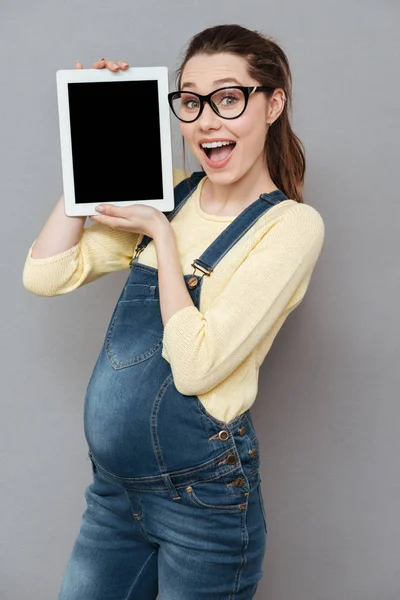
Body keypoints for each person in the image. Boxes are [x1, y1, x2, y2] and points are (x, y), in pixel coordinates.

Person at [22, 23, 325, 600]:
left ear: (272, 104)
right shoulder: (171, 194)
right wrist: (87, 134)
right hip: (114, 497)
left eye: (228, 98)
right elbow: (46, 273)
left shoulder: (289, 227)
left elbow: (195, 365)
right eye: (190, 102)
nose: (206, 120)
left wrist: (162, 238)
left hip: (203, 506)